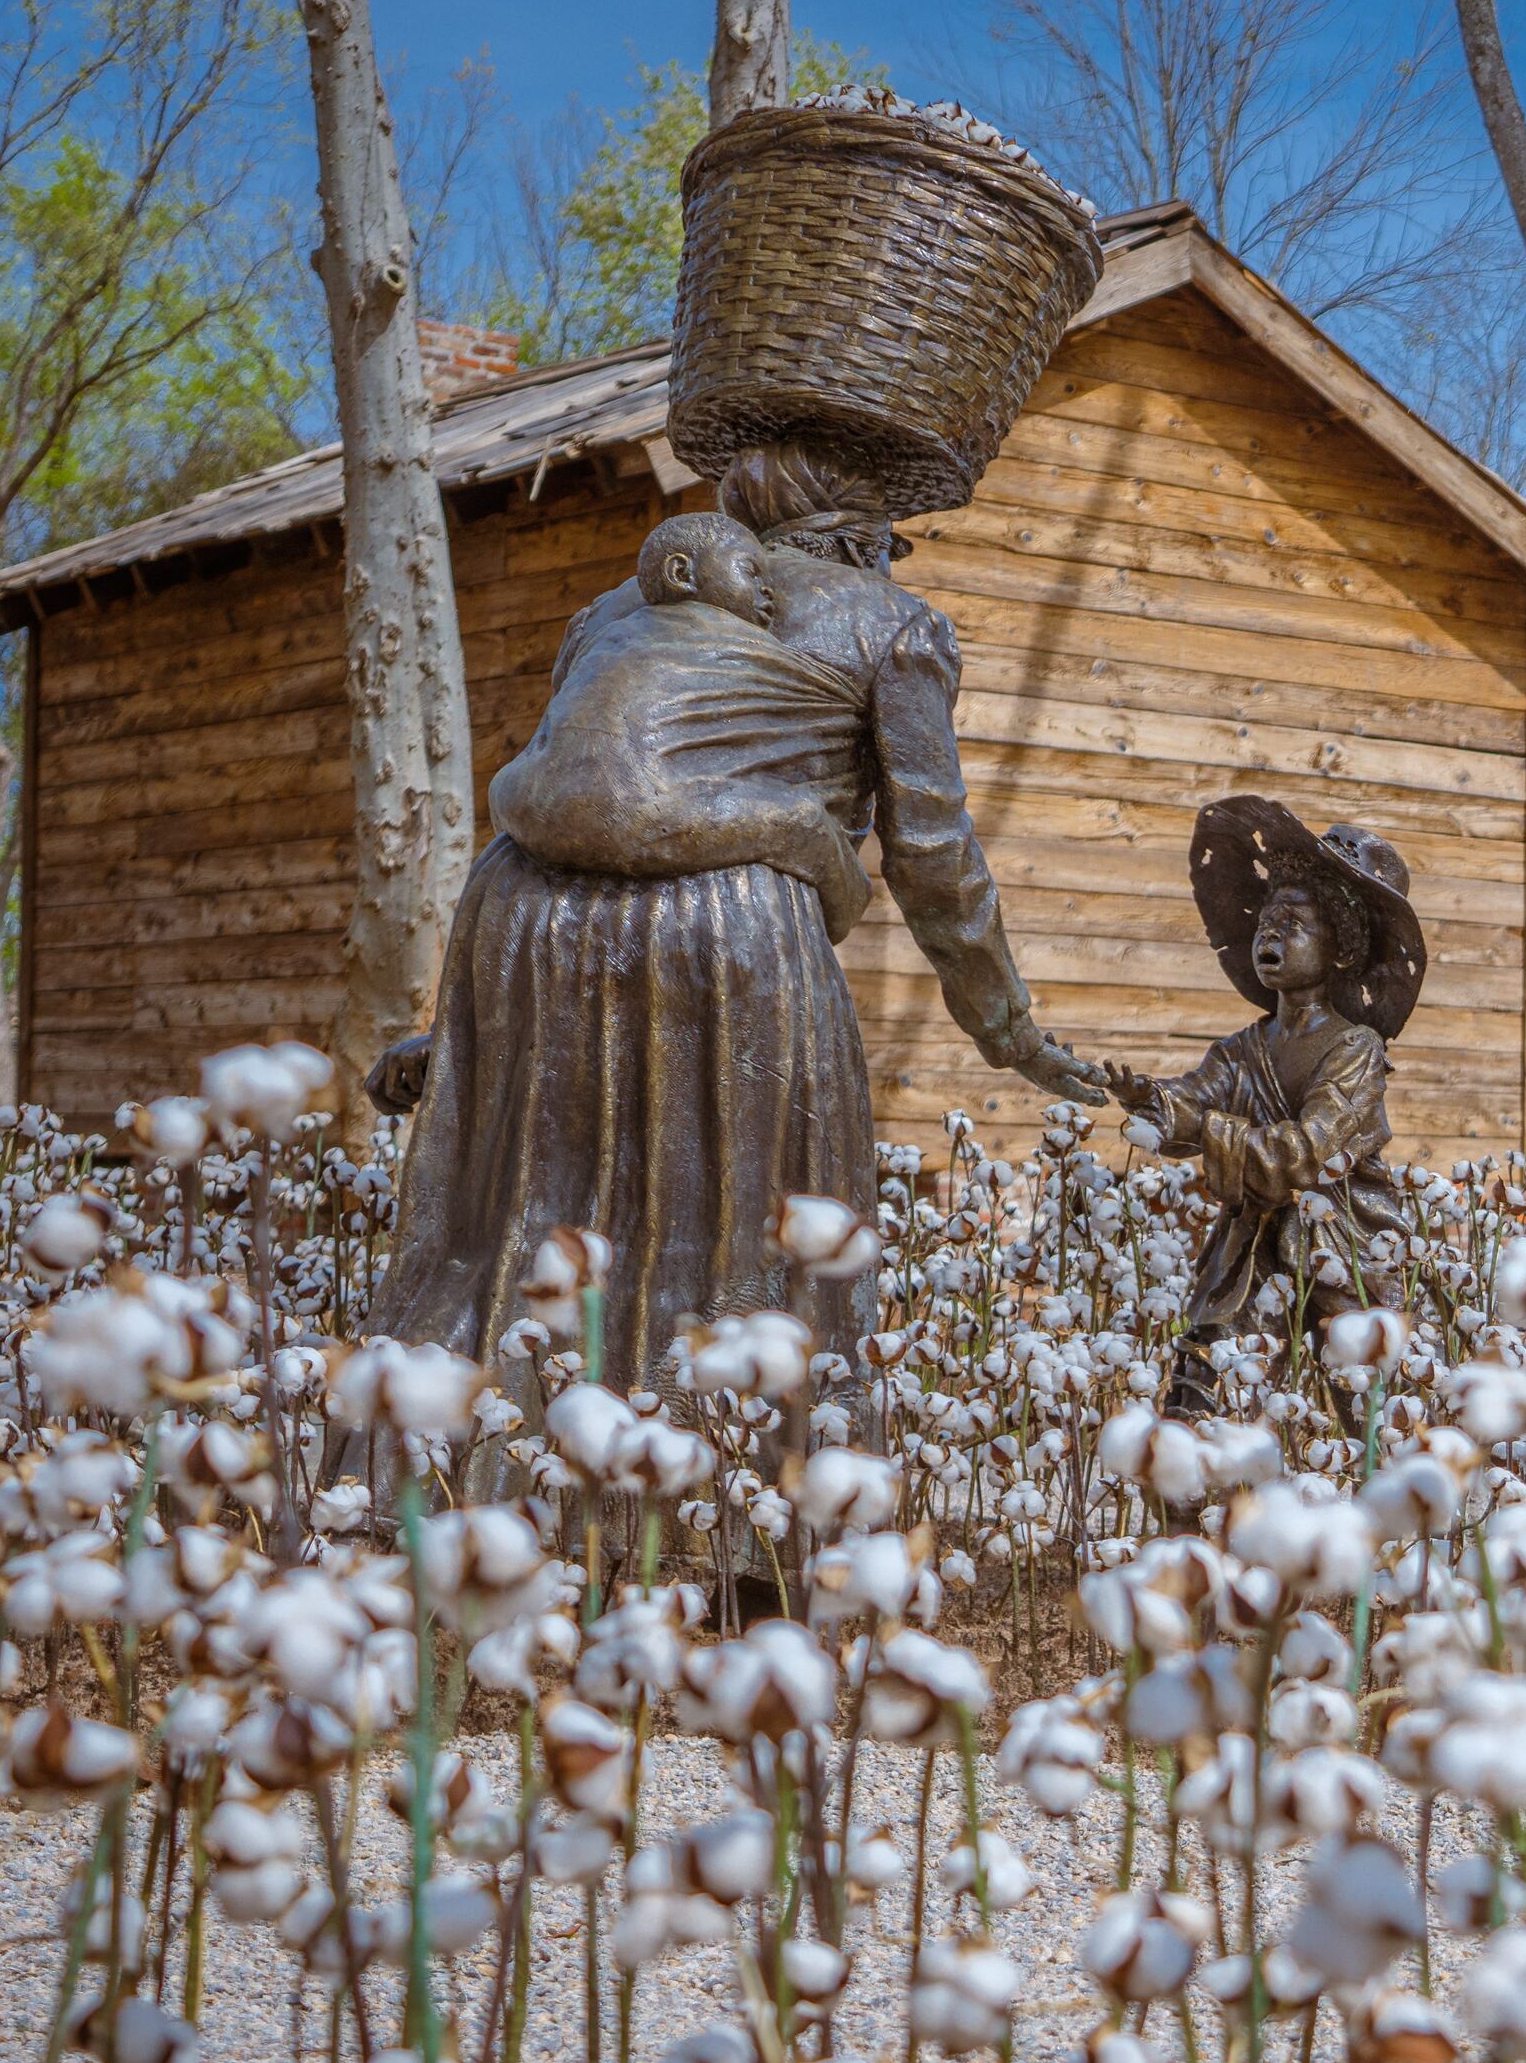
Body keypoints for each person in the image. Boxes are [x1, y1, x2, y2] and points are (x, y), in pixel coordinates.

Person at [367, 440, 1102, 1373]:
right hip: (726, 926)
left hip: (523, 916)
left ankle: (465, 1460)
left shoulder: (609, 609)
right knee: (736, 1230)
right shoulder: (895, 622)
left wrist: (467, 1031)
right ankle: (715, 1473)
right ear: (866, 540)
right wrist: (1008, 1028)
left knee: (519, 1213)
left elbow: (578, 772)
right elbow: (932, 849)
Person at [1097, 797, 1423, 1393]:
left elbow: (1305, 1151)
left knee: (1370, 1402)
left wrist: (1205, 1129)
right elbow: (1195, 1097)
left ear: (1342, 949)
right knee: (1209, 1384)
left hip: (1346, 1239)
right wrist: (1150, 1099)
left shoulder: (1356, 1049)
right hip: (1251, 1246)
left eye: (1295, 924)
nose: (1271, 932)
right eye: (1267, 920)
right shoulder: (1241, 1050)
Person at [486, 509, 877, 943]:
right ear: (681, 573)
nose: (768, 590)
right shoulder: (735, 638)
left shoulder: (602, 634)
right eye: (749, 571)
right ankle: (845, 918)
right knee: (804, 821)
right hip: (630, 814)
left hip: (521, 804)